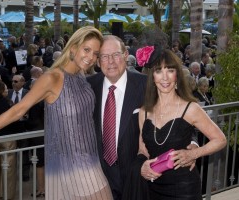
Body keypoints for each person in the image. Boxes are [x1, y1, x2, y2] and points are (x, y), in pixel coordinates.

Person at [0, 26, 113, 199]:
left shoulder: (81, 77)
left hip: (91, 159)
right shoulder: (53, 78)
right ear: (73, 47)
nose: (91, 57)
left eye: (95, 53)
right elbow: (18, 109)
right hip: (71, 165)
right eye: (87, 49)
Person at [136, 47, 226, 199]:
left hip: (185, 189)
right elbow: (142, 149)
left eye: (170, 70)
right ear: (152, 77)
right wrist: (142, 166)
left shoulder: (190, 108)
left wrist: (194, 153)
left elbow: (220, 139)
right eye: (159, 71)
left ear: (176, 75)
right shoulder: (143, 112)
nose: (165, 77)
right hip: (153, 187)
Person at [87, 35, 147, 200]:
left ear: (126, 55)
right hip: (98, 178)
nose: (111, 61)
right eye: (105, 56)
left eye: (115, 55)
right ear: (98, 61)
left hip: (136, 177)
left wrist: (191, 143)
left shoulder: (146, 85)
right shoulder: (88, 87)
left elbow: (173, 113)